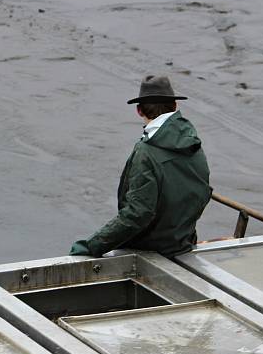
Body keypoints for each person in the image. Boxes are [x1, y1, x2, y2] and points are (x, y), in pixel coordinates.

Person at [70, 75, 211, 258]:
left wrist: (90, 247)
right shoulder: (194, 143)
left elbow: (138, 213)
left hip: (152, 249)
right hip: (182, 243)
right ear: (175, 106)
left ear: (139, 111)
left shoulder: (146, 152)